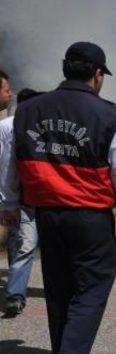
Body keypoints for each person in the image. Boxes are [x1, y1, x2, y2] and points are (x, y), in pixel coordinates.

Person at [6, 41, 116, 354]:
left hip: (47, 212)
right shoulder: (109, 115)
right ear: (97, 75)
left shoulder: (28, 109)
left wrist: (10, 202)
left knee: (59, 287)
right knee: (91, 289)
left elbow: (12, 161)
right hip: (90, 215)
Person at [0, 89, 43, 317]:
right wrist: (9, 201)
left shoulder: (41, 128)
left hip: (43, 200)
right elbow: (6, 166)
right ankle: (15, 295)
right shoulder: (9, 128)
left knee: (25, 245)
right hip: (21, 199)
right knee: (23, 246)